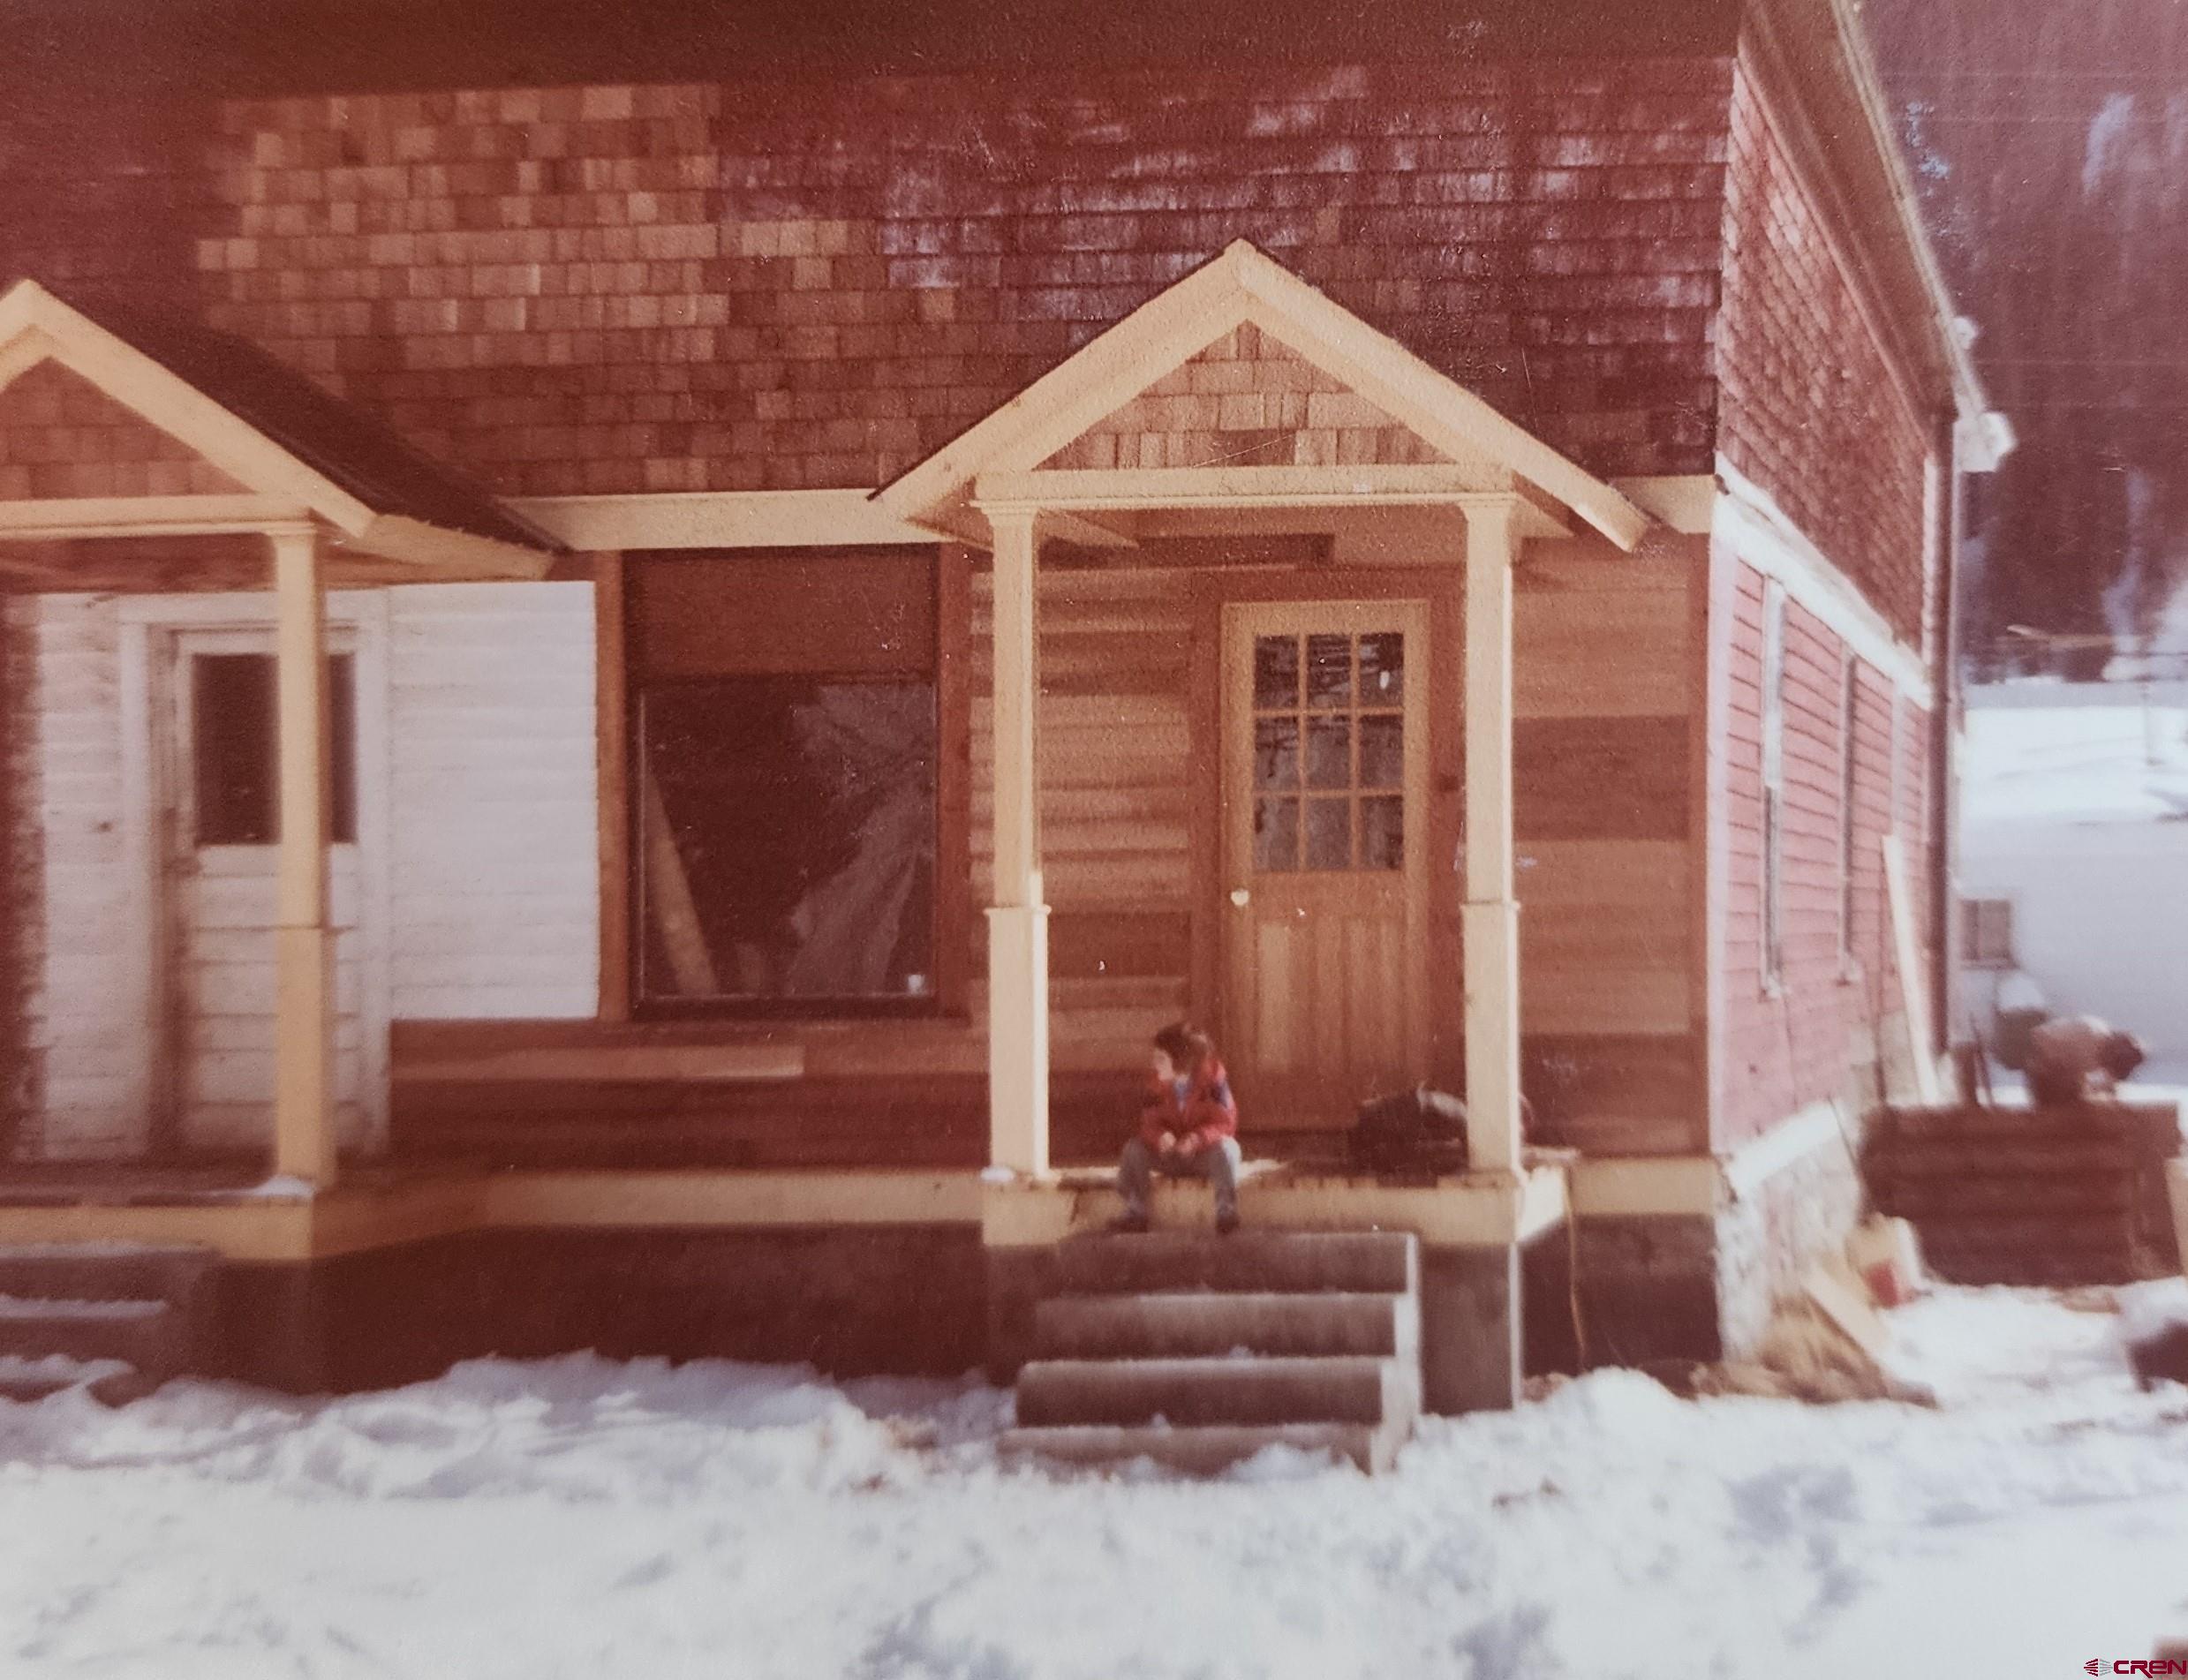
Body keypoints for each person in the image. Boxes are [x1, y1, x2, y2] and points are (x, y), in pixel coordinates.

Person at [1111, 1022, 1241, 1235]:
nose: (1155, 1064)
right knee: (1133, 1150)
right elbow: (1148, 1123)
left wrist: (1198, 1139)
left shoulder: (1214, 1081)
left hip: (1202, 1156)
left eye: (1161, 1059)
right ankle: (1136, 1211)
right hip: (1169, 1156)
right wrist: (1160, 1137)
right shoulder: (1156, 1084)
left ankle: (1226, 1211)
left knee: (1229, 1149)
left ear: (1181, 1061)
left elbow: (1226, 1122)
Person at [2025, 1013, 2146, 1108]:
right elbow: (2038, 1037)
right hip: (2042, 1073)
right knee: (2082, 1100)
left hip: (2043, 1063)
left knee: (2087, 1093)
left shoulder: (2099, 1031)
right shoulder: (2090, 1046)